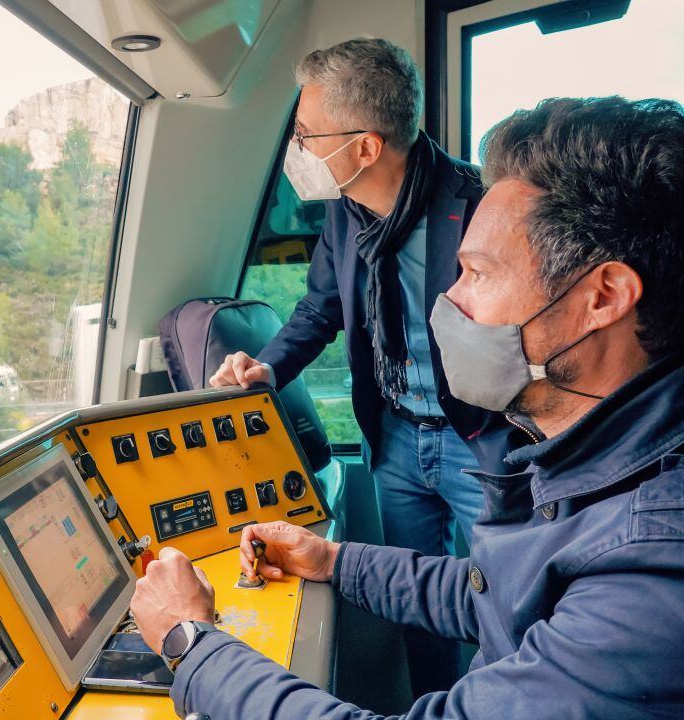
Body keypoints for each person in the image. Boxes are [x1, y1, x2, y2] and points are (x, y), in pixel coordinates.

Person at [133, 96, 684, 719]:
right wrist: (335, 560)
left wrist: (190, 642)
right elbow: (494, 593)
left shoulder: (650, 565)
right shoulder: (592, 462)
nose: (448, 300)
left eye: (476, 273)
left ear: (603, 296)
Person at [210, 38, 513, 694]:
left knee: (502, 600)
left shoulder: (479, 208)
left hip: (479, 437)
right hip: (400, 438)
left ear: (366, 147)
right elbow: (320, 309)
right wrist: (263, 368)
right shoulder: (347, 214)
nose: (299, 150)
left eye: (307, 134)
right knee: (415, 607)